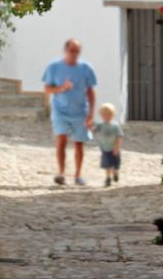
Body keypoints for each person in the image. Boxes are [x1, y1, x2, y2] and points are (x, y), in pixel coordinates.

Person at [42, 38, 97, 187]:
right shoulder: (53, 67)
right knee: (61, 141)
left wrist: (91, 114)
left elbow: (91, 92)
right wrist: (61, 88)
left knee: (79, 143)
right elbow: (47, 89)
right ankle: (61, 173)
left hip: (80, 112)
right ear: (65, 50)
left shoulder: (86, 68)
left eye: (77, 51)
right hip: (60, 111)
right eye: (72, 50)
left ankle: (78, 175)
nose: (74, 54)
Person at [95, 104, 123, 187]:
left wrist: (117, 147)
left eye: (109, 115)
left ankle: (115, 173)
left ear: (113, 115)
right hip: (105, 148)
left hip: (114, 149)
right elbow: (94, 129)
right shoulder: (100, 125)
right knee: (107, 164)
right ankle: (108, 178)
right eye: (104, 115)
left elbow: (119, 137)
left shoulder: (115, 126)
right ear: (101, 115)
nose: (107, 116)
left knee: (115, 164)